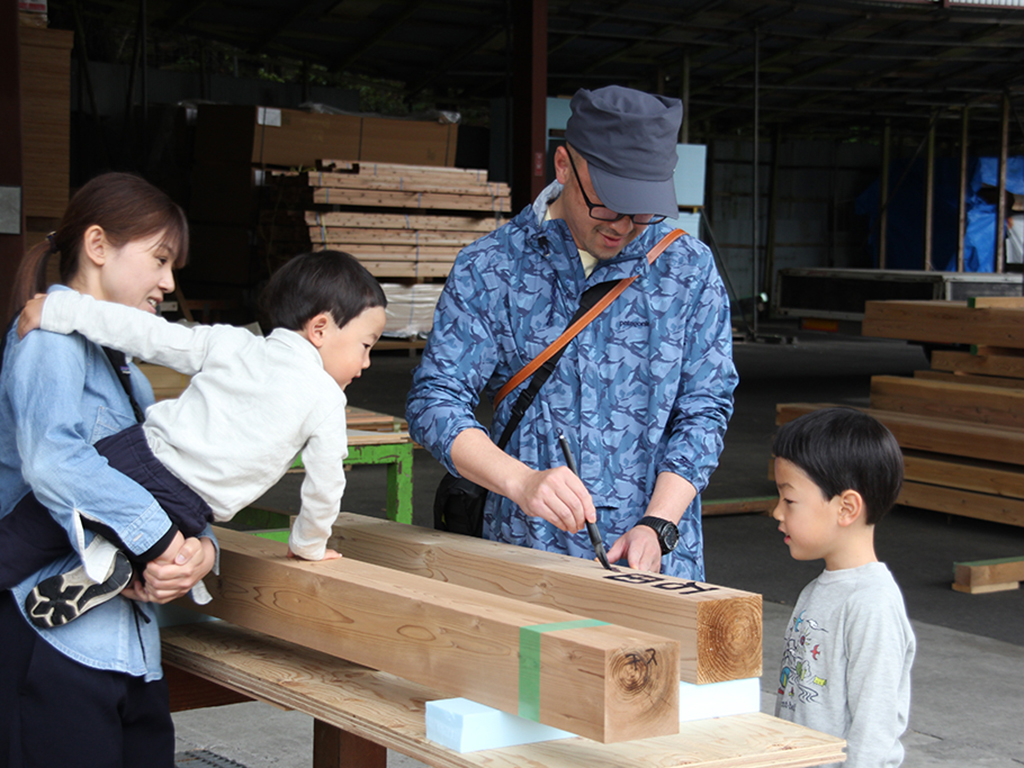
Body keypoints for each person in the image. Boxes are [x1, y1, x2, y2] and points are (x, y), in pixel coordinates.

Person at [406, 85, 737, 579]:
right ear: (563, 166)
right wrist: (521, 482)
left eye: (642, 210)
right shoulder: (492, 267)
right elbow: (435, 401)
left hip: (657, 563)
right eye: (606, 205)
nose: (623, 227)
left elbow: (705, 409)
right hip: (528, 559)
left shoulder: (687, 270)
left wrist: (660, 523)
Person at [8, 249, 388, 628]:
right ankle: (110, 563)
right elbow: (325, 485)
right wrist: (308, 545)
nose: (367, 362)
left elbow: (148, 334)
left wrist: (61, 311)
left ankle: (99, 555)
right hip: (187, 511)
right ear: (320, 328)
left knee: (29, 532)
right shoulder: (326, 401)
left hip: (133, 461)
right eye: (366, 345)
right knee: (163, 559)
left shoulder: (235, 344)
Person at [0, 172, 217, 767]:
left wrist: (199, 549)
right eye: (159, 259)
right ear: (98, 247)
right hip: (56, 647)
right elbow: (54, 461)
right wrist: (159, 538)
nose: (168, 282)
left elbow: (168, 478)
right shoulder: (48, 345)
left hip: (133, 648)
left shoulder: (131, 374)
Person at [771, 407, 916, 768]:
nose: (777, 512)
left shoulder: (872, 604)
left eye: (789, 500)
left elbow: (875, 727)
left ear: (847, 507)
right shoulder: (816, 591)